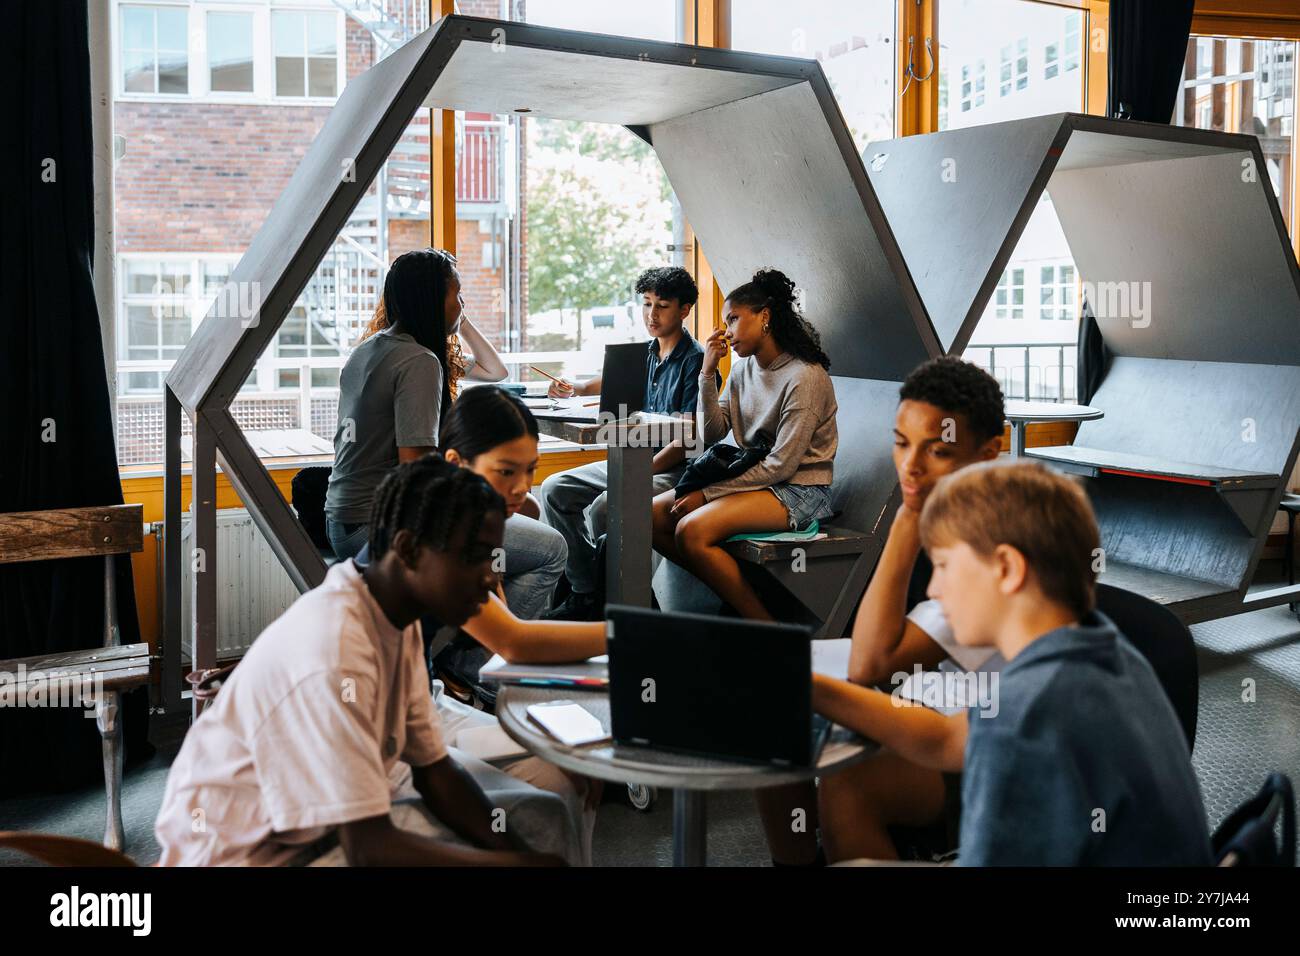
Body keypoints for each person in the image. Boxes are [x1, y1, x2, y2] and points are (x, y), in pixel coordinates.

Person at [155, 456, 575, 866]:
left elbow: (435, 770)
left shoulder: (393, 613)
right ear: (408, 550)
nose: (490, 575)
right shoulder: (336, 649)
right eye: (475, 556)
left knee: (540, 817)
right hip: (250, 852)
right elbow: (369, 847)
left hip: (319, 824)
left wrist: (512, 848)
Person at [814, 460, 1214, 866]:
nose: (933, 588)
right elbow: (949, 740)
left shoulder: (1025, 716)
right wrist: (813, 687)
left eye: (945, 567)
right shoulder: (1107, 653)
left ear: (1006, 568)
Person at [815, 356, 1006, 863]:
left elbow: (869, 663)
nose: (911, 467)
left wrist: (904, 519)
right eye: (901, 443)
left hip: (984, 749)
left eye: (938, 451)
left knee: (846, 785)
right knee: (784, 749)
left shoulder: (996, 547)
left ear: (989, 454)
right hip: (926, 707)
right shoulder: (948, 518)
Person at [650, 267, 837, 622]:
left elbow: (783, 465)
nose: (726, 330)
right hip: (757, 479)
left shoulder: (805, 376)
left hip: (799, 491)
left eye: (733, 319)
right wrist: (707, 372)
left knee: (691, 530)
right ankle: (733, 593)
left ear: (765, 317)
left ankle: (764, 630)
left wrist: (707, 495)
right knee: (651, 516)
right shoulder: (742, 369)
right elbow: (712, 431)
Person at [542, 266, 710, 620]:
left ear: (685, 310)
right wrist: (571, 385)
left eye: (662, 305)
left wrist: (639, 471)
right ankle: (587, 591)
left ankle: (619, 604)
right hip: (631, 461)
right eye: (647, 304)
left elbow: (689, 436)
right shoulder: (646, 353)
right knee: (556, 488)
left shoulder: (695, 361)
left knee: (607, 505)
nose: (652, 314)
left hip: (675, 470)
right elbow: (603, 382)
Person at [325, 248, 460, 561]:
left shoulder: (370, 347)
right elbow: (416, 471)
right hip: (375, 527)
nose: (462, 306)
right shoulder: (419, 361)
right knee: (549, 550)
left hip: (341, 522)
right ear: (432, 301)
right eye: (458, 295)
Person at [440, 385, 567, 621]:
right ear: (457, 463)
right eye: (506, 471)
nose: (522, 487)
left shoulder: (482, 518)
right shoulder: (443, 538)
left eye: (531, 469)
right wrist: (623, 632)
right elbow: (512, 641)